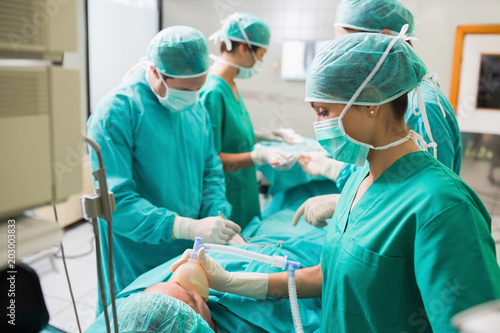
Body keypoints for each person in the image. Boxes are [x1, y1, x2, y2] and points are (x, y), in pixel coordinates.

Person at [187, 31, 500, 332]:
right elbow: (332, 275)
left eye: (324, 111)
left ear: (371, 103)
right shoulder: (362, 178)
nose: (319, 125)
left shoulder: (443, 207)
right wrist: (233, 282)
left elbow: (466, 323)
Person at [87, 26, 241, 313]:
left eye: (199, 87)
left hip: (187, 253)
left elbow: (211, 169)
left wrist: (215, 216)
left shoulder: (195, 108)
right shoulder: (117, 112)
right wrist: (187, 226)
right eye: (185, 89)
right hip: (136, 255)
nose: (193, 97)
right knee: (136, 319)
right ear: (156, 73)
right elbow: (117, 203)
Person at [294, 0, 462, 227]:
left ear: (381, 36)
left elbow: (430, 202)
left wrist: (353, 204)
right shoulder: (390, 99)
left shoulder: (423, 107)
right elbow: (383, 169)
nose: (340, 55)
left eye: (347, 43)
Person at [86, 208, 324, 332]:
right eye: (191, 296)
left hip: (258, 241)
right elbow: (330, 283)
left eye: (170, 281)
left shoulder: (126, 315)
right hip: (298, 254)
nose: (181, 278)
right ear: (206, 326)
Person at [199, 12, 296, 229]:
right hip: (225, 196)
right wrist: (259, 156)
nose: (260, 61)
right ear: (244, 48)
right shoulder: (213, 92)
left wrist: (264, 135)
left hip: (244, 189)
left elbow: (229, 134)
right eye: (260, 54)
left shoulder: (230, 84)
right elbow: (211, 159)